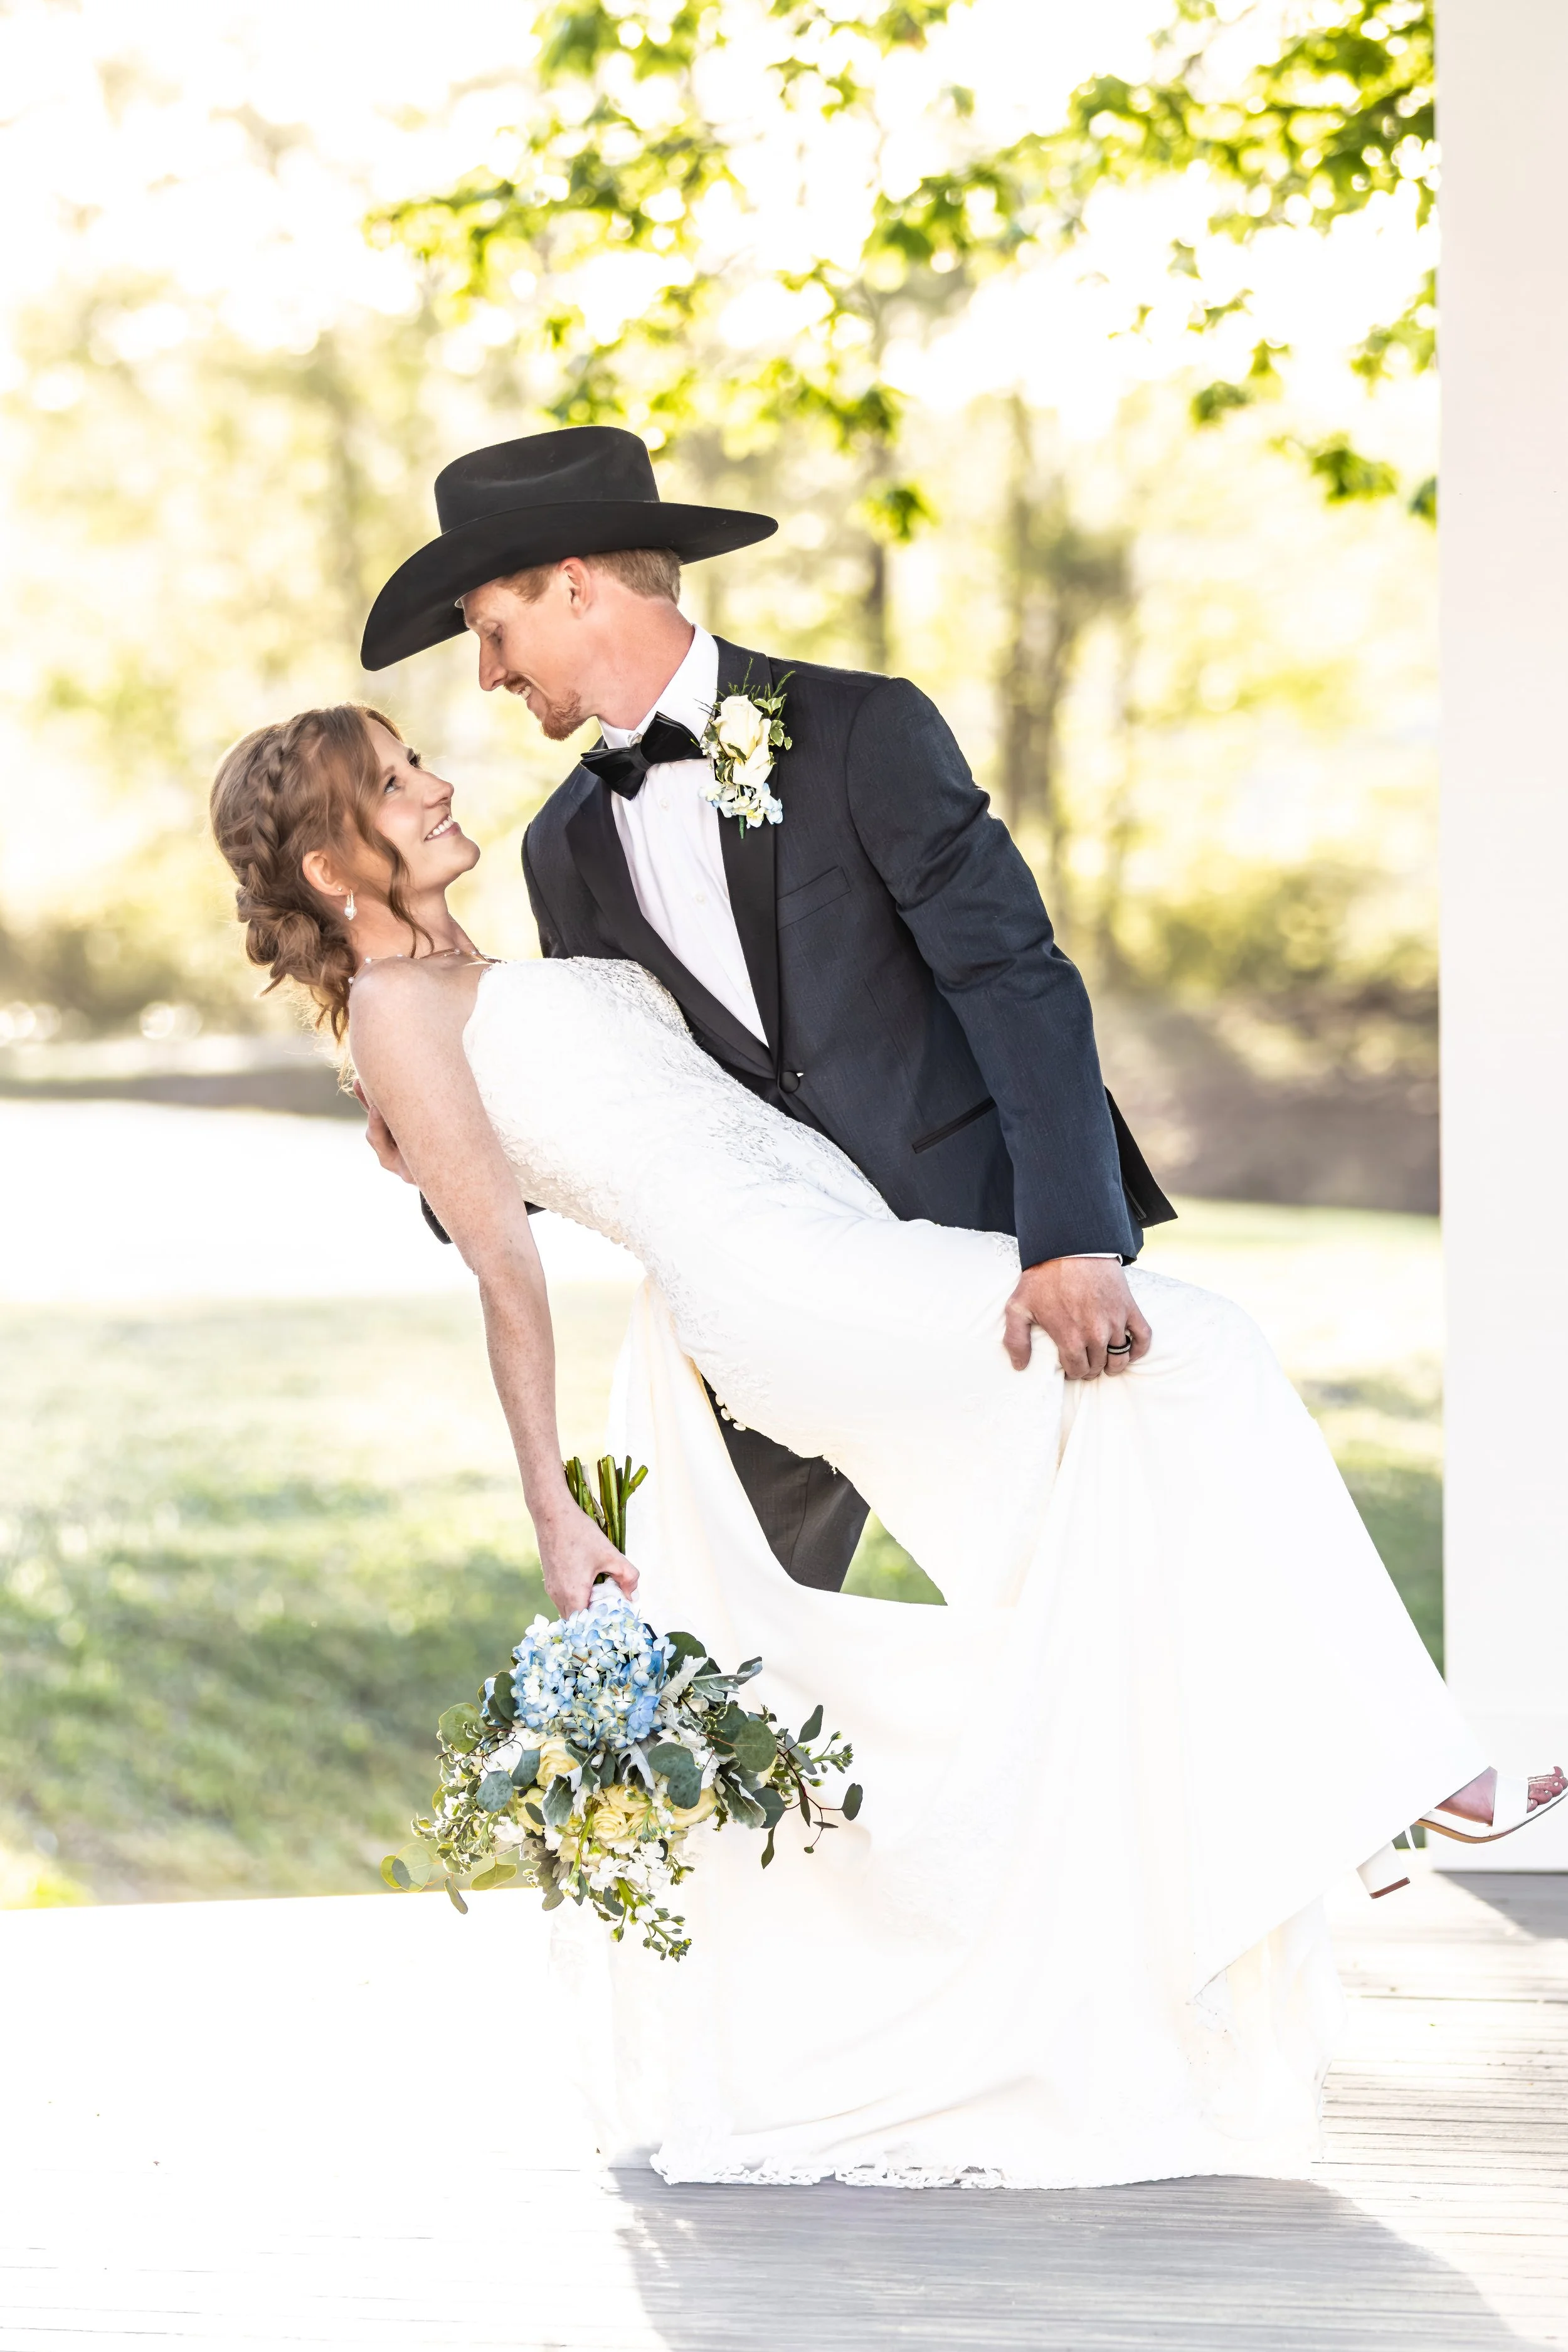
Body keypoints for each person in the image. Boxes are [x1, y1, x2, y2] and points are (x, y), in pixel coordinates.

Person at [209, 697, 1563, 2192]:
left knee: (1124, 1467)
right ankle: (1396, 1775)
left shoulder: (470, 973)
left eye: (416, 764)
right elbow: (504, 1272)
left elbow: (592, 1111)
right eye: (396, 788)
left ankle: (1327, 1781)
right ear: (335, 869)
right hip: (780, 1287)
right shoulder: (402, 1015)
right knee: (1197, 1361)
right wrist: (553, 1512)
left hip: (836, 1237)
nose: (439, 783)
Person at [357, 426, 1176, 1595]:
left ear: (576, 584)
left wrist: (1070, 1238)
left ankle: (1398, 1779)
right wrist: (432, 1151)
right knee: (722, 1661)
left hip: (988, 1253)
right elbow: (628, 1095)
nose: (488, 672)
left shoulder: (864, 730)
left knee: (1119, 1568)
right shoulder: (564, 848)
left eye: (491, 630)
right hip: (768, 1300)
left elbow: (1017, 978)